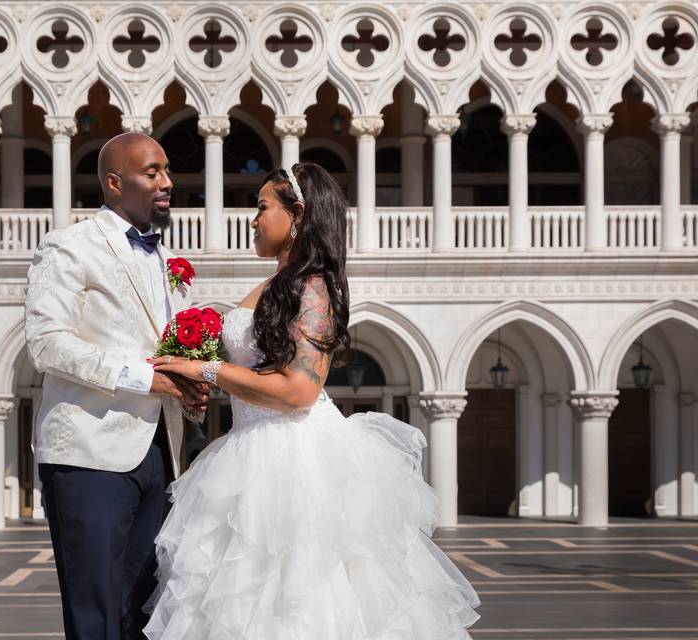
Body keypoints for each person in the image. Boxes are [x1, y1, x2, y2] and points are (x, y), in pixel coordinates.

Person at [145, 162, 481, 638]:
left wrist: (206, 369)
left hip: (292, 459)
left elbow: (299, 392)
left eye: (262, 207)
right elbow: (250, 370)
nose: (253, 219)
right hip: (246, 449)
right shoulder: (269, 286)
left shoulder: (315, 289)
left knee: (301, 599)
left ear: (297, 216)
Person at [24, 133, 208, 640]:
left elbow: (170, 350)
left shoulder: (171, 264)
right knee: (95, 613)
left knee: (144, 612)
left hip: (161, 453)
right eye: (152, 173)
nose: (167, 182)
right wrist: (147, 377)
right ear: (113, 182)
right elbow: (47, 344)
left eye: (167, 170)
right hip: (89, 455)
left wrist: (189, 387)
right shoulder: (68, 246)